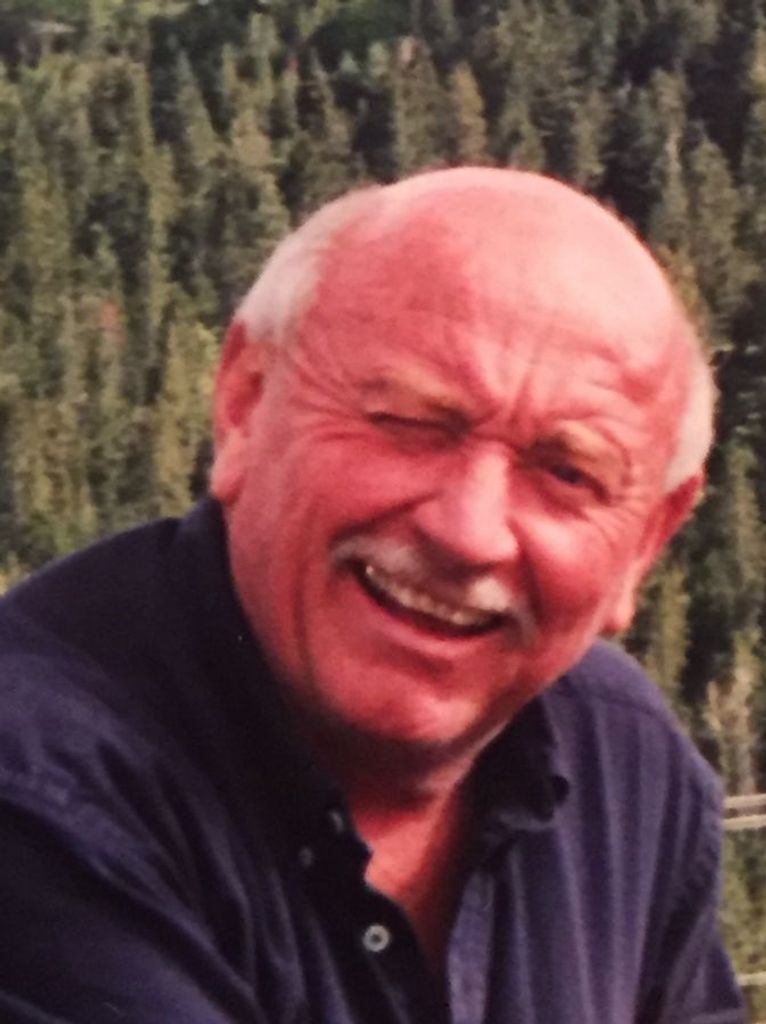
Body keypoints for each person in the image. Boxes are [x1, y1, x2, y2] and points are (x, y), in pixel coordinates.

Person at [0, 167, 745, 1024]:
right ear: (245, 402)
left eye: (567, 473)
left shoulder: (624, 762)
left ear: (648, 539)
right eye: (411, 423)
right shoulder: (39, 794)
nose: (469, 533)